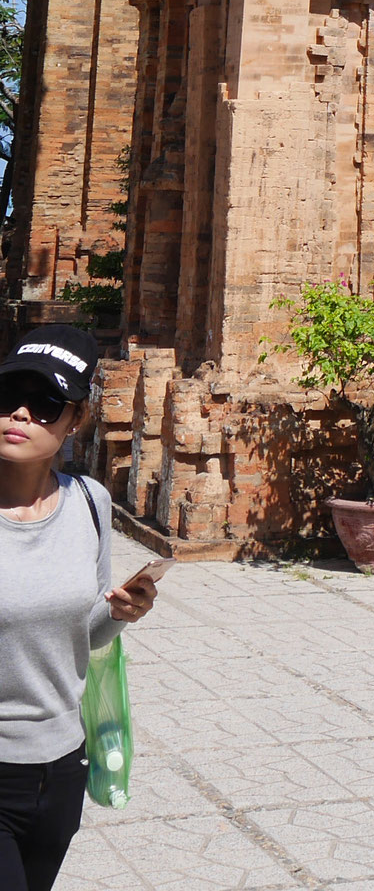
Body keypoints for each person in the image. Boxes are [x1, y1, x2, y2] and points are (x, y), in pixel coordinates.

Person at [0, 324, 159, 891]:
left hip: (63, 765)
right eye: (7, 396)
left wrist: (119, 612)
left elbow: (85, 637)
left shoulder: (89, 503)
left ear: (75, 422)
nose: (18, 413)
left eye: (43, 403)